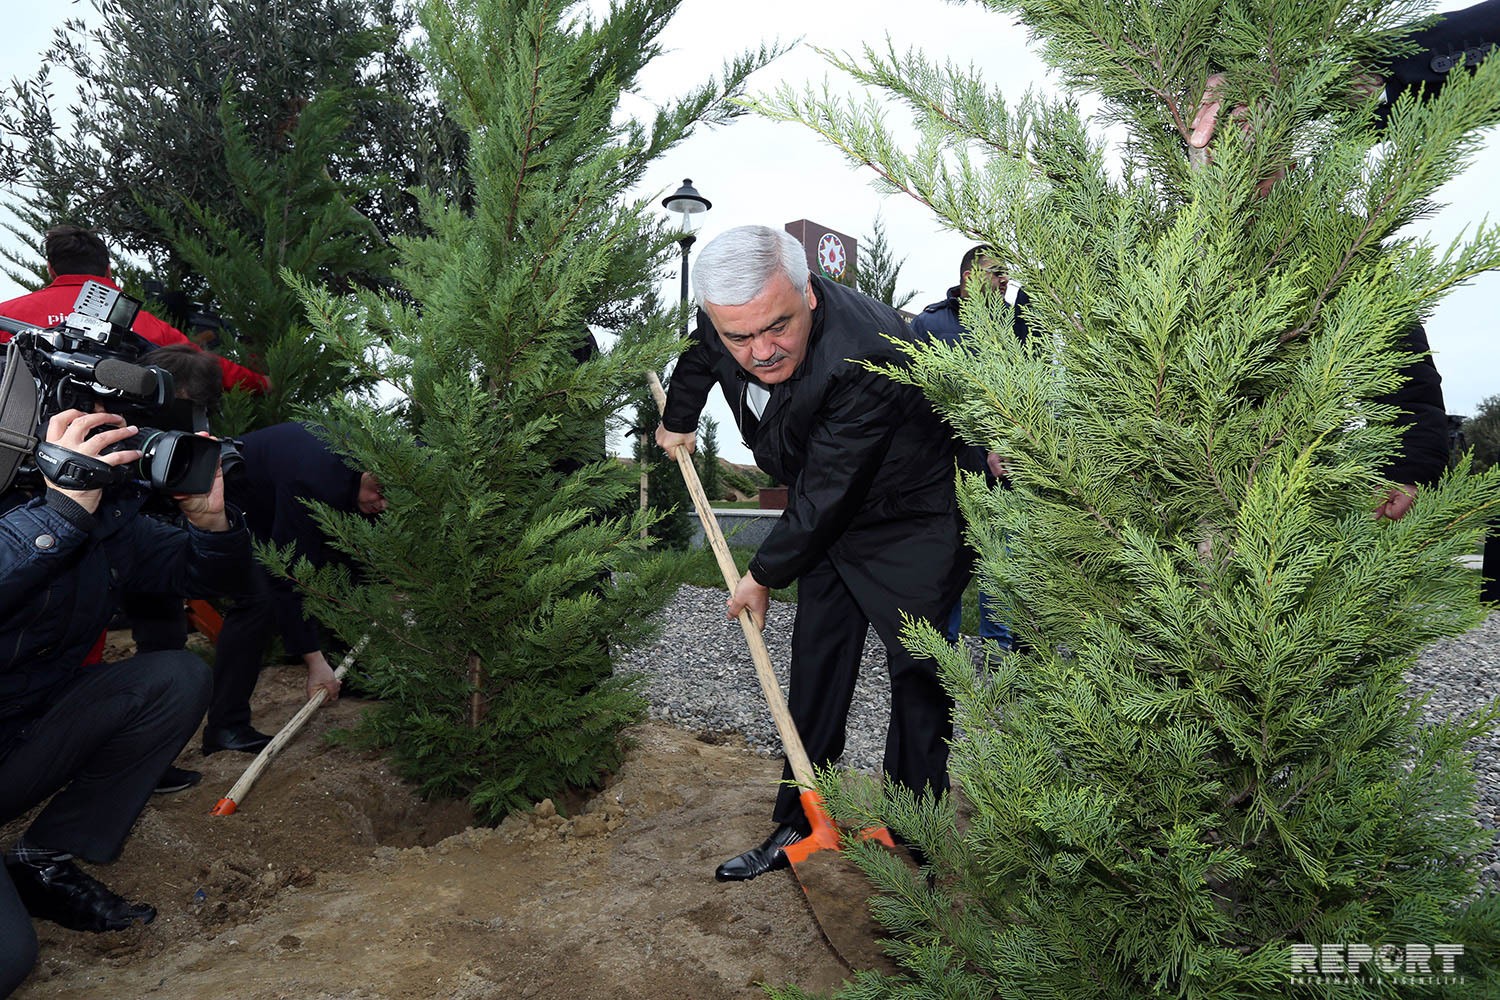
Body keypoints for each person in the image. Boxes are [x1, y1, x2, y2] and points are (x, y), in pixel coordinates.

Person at [656, 225, 972, 881]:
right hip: (823, 506)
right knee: (816, 663)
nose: (760, 351)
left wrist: (763, 574)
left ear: (809, 294)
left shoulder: (867, 352)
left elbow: (829, 491)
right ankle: (802, 818)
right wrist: (680, 418)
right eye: (739, 336)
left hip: (910, 515)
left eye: (778, 327)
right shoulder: (731, 319)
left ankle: (916, 832)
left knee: (919, 670)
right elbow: (696, 359)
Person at [0, 407, 250, 997]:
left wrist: (208, 523)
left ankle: (43, 856)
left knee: (174, 678)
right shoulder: (67, 506)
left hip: (21, 739)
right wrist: (57, 512)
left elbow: (208, 577)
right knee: (9, 961)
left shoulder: (106, 518)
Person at [203, 422, 385, 755]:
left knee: (346, 564)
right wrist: (313, 662)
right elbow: (287, 575)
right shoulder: (314, 476)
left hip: (274, 497)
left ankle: (352, 671)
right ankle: (225, 727)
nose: (382, 504)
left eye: (392, 498)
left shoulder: (356, 468)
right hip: (225, 499)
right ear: (366, 467)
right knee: (258, 601)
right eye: (379, 491)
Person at [910, 245, 1030, 652]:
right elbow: (913, 398)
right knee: (948, 559)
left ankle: (999, 649)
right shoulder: (929, 324)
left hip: (1003, 467)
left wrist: (1008, 442)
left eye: (1006, 274)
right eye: (996, 272)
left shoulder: (1015, 325)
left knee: (999, 559)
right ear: (968, 277)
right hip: (947, 469)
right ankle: (945, 647)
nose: (1004, 281)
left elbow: (1024, 389)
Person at [0, 225, 270, 396]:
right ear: (108, 269)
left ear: (51, 269)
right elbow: (206, 367)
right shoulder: (149, 326)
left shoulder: (7, 315)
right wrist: (264, 383)